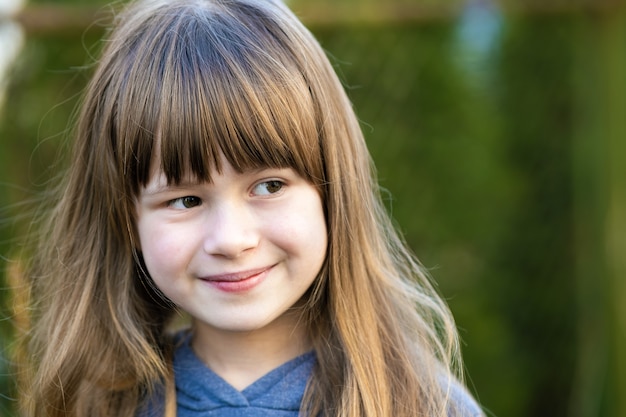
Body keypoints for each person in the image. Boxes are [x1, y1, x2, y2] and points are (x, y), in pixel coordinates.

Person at [14, 0, 484, 416]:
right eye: (185, 199)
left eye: (269, 186)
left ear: (332, 190)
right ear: (126, 217)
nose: (232, 240)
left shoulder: (420, 404)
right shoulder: (94, 404)